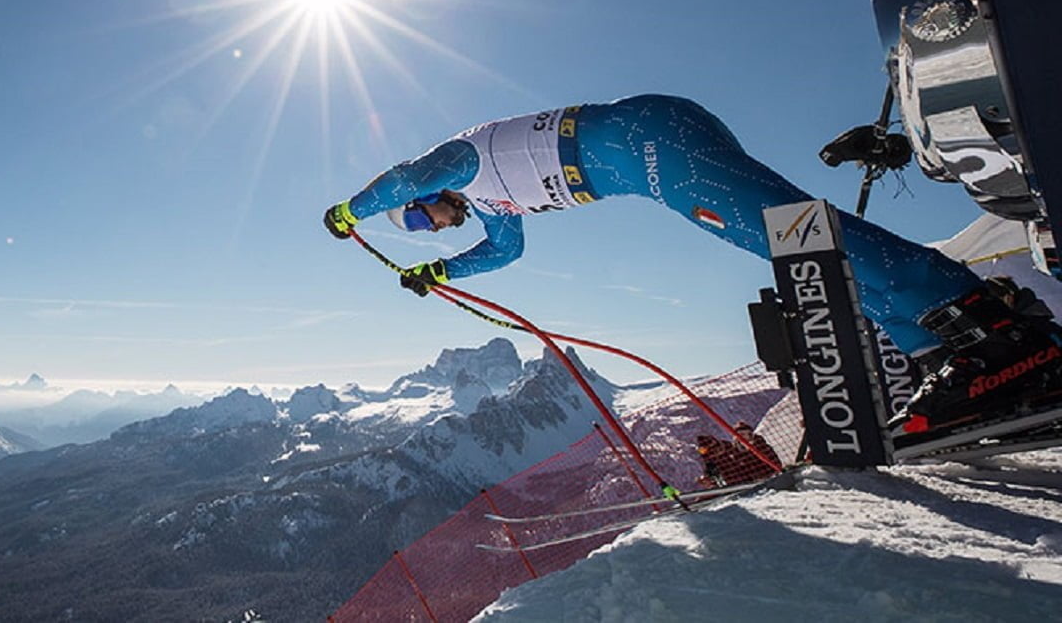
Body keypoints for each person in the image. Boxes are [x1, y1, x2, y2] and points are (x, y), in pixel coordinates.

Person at [323, 94, 1062, 433]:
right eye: (421, 226)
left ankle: (989, 323)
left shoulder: (456, 156)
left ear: (429, 195)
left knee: (802, 234)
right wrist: (444, 273)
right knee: (799, 250)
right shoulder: (493, 205)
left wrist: (353, 210)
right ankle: (942, 347)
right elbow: (505, 250)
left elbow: (403, 173)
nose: (429, 221)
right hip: (655, 156)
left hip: (653, 146)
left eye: (422, 214)